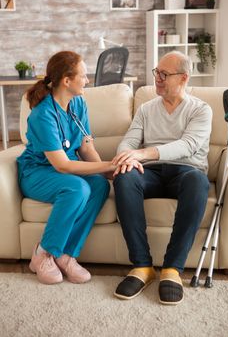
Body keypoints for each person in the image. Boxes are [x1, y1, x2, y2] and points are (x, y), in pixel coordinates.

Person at [17, 51, 142, 285]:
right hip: (37, 172)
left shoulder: (78, 103)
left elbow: (86, 148)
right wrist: (111, 163)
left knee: (98, 186)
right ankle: (43, 253)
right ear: (66, 80)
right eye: (83, 76)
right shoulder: (43, 114)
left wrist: (108, 171)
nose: (87, 81)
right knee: (77, 189)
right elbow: (62, 165)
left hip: (64, 169)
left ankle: (66, 254)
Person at [112, 51, 212, 305]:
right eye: (157, 72)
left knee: (198, 182)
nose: (157, 78)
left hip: (187, 170)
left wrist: (144, 152)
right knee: (125, 176)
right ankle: (142, 266)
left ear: (183, 78)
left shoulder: (201, 110)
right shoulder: (146, 109)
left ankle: (172, 269)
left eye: (164, 74)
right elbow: (128, 142)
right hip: (152, 172)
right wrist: (127, 157)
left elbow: (188, 146)